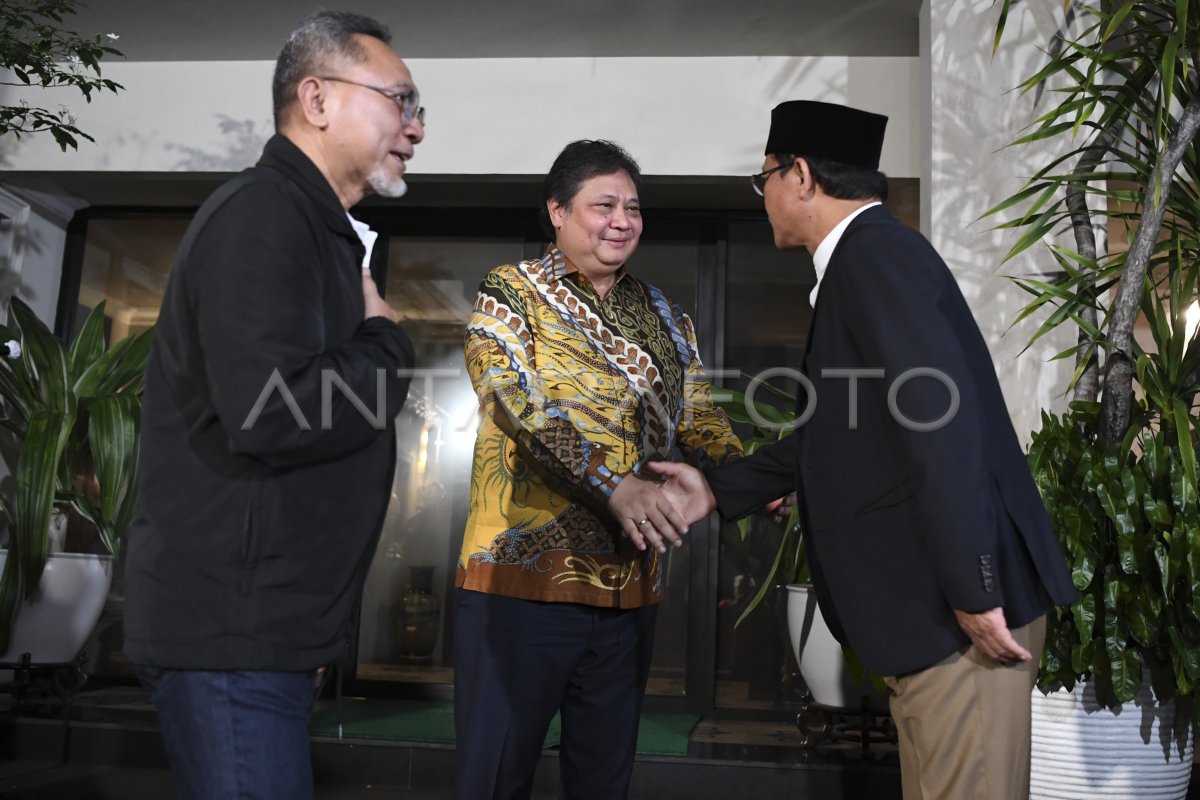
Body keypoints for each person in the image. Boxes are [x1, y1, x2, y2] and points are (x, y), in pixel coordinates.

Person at [650, 101, 1076, 800]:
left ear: (802, 176)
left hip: (957, 619)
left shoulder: (877, 257)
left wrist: (975, 588)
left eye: (765, 183)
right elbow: (844, 433)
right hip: (934, 621)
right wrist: (720, 489)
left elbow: (947, 429)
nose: (765, 202)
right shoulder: (862, 263)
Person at [122, 11, 424, 799]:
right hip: (232, 637)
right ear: (317, 100)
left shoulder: (317, 230)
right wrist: (391, 344)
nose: (415, 127)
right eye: (400, 100)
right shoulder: (264, 214)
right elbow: (274, 408)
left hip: (267, 634)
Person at [455, 139, 742, 799]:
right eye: (603, 205)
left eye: (632, 208)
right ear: (557, 211)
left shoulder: (670, 318)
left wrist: (743, 473)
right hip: (516, 585)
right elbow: (512, 401)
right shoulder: (511, 290)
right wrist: (613, 484)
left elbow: (699, 417)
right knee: (495, 779)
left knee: (603, 782)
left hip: (629, 593)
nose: (622, 221)